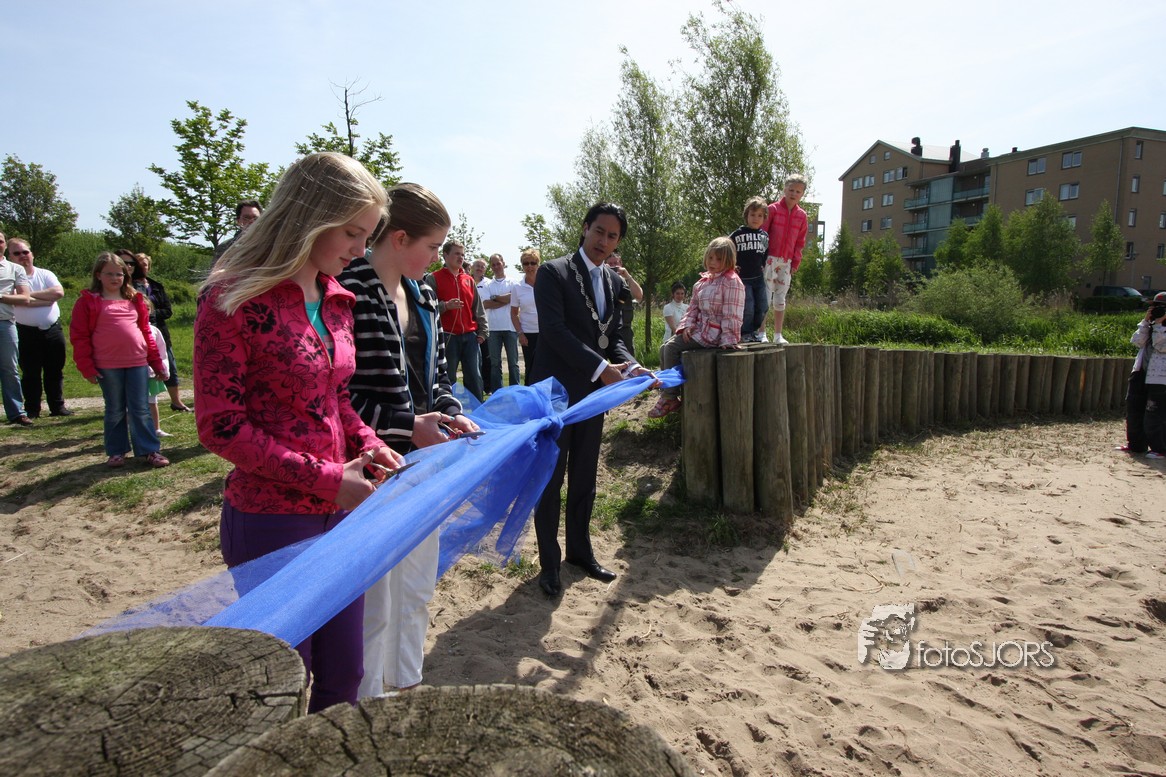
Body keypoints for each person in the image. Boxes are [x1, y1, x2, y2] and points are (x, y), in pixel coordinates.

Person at [194, 152, 405, 713]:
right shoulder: (234, 297)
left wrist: (370, 444)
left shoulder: (337, 298)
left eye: (368, 235)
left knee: (345, 673)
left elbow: (336, 399)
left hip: (341, 515)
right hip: (271, 520)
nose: (360, 249)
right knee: (284, 679)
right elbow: (220, 426)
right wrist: (329, 480)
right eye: (352, 233)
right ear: (309, 217)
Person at [338, 182, 480, 698]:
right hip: (372, 468)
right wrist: (406, 427)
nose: (438, 258)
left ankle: (403, 683)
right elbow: (340, 396)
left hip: (424, 462)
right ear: (399, 238)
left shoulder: (424, 296)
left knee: (416, 583)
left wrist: (450, 415)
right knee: (375, 595)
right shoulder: (348, 289)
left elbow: (438, 378)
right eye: (433, 247)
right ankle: (367, 700)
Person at [528, 202, 655, 597]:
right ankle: (549, 564)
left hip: (593, 395)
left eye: (612, 236)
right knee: (551, 479)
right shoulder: (553, 272)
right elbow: (554, 331)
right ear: (585, 228)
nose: (604, 241)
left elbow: (615, 337)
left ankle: (580, 553)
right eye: (599, 231)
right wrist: (602, 368)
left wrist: (631, 366)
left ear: (618, 242)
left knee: (584, 473)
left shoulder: (615, 283)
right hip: (555, 394)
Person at [70, 253, 170, 468]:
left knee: (141, 408)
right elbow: (79, 337)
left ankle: (150, 450)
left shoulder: (135, 299)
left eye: (119, 274)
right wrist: (86, 367)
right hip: (107, 365)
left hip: (137, 362)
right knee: (115, 409)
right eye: (109, 274)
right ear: (98, 275)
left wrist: (156, 363)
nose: (115, 278)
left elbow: (146, 332)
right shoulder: (87, 301)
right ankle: (117, 452)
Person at [648, 237, 745, 419]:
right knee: (663, 348)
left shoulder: (731, 282)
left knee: (671, 348)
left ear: (728, 261)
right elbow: (692, 310)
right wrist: (687, 326)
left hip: (715, 335)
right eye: (710, 258)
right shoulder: (702, 283)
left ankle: (669, 397)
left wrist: (729, 339)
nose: (713, 262)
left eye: (719, 259)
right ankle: (669, 392)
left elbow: (732, 313)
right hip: (700, 330)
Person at [9, 238, 72, 418]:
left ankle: (57, 407)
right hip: (24, 331)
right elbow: (14, 300)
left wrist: (26, 296)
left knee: (55, 370)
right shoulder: (9, 278)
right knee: (30, 373)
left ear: (32, 254)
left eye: (25, 252)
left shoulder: (45, 274)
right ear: (10, 257)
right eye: (17, 253)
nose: (22, 256)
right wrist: (44, 299)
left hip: (52, 330)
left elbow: (58, 293)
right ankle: (32, 409)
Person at [126, 252, 192, 413]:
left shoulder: (156, 286)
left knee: (169, 364)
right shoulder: (128, 287)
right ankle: (141, 403)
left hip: (159, 330)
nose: (142, 267)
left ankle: (176, 401)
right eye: (138, 264)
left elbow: (168, 310)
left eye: (145, 265)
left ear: (149, 267)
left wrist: (153, 314)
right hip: (138, 332)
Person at [426, 241, 488, 401]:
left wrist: (483, 332)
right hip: (447, 337)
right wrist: (445, 306)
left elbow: (478, 308)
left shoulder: (469, 280)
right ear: (445, 255)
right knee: (448, 377)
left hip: (470, 337)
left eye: (462, 254)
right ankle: (448, 409)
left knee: (474, 377)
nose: (461, 257)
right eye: (456, 254)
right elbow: (426, 307)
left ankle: (477, 409)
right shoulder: (434, 278)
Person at [762, 174, 809, 345]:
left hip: (786, 261)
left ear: (802, 194)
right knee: (765, 297)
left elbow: (800, 242)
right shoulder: (772, 209)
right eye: (791, 190)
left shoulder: (802, 216)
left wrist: (795, 261)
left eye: (798, 191)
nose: (793, 194)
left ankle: (778, 334)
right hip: (769, 259)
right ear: (784, 189)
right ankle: (761, 333)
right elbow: (763, 234)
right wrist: (760, 258)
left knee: (780, 298)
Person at [1121, 292, 1166, 458]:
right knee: (1134, 409)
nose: (1158, 310)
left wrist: (1160, 325)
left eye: (1162, 308)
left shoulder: (1159, 328)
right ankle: (1136, 445)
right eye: (1155, 307)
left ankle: (1160, 449)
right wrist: (1146, 322)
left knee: (1155, 413)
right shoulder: (1150, 325)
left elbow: (1161, 346)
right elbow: (1137, 341)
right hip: (1140, 373)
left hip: (1161, 379)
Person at [0, 231, 33, 426]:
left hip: (5, 323)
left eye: (0, 241)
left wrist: (1, 297)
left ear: (5, 245)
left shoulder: (15, 269)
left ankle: (17, 413)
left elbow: (25, 297)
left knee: (10, 369)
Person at [730, 197, 770, 342]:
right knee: (748, 306)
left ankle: (754, 331)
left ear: (764, 218)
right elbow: (727, 250)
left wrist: (763, 265)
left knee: (763, 306)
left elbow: (765, 253)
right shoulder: (737, 234)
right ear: (746, 215)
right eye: (752, 215)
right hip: (743, 278)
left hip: (758, 278)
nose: (756, 218)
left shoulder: (764, 236)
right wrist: (731, 265)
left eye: (760, 215)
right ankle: (745, 332)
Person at [484, 253, 519, 392]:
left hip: (510, 327)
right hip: (493, 328)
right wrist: (505, 300)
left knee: (513, 363)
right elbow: (486, 303)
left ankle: (515, 391)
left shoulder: (513, 282)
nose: (496, 266)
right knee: (495, 364)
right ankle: (497, 392)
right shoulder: (488, 284)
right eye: (493, 264)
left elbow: (514, 297)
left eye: (498, 263)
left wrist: (495, 297)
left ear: (503, 263)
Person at [511, 248, 541, 381]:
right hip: (528, 334)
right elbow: (513, 314)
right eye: (526, 263)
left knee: (548, 365)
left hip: (546, 332)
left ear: (538, 264)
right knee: (531, 367)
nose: (529, 266)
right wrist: (520, 333)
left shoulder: (546, 283)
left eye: (533, 263)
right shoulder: (517, 287)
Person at [606, 252, 643, 357]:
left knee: (628, 361)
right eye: (610, 264)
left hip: (624, 330)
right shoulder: (601, 279)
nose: (613, 266)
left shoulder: (626, 281)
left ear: (621, 264)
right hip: (604, 329)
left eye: (616, 263)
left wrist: (628, 277)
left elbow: (639, 296)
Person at [470, 258, 492, 390]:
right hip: (469, 326)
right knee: (471, 359)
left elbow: (494, 301)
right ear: (472, 267)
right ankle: (472, 387)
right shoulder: (466, 280)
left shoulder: (489, 283)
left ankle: (487, 387)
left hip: (484, 326)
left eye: (482, 266)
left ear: (485, 269)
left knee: (486, 357)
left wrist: (483, 305)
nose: (479, 268)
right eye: (477, 265)